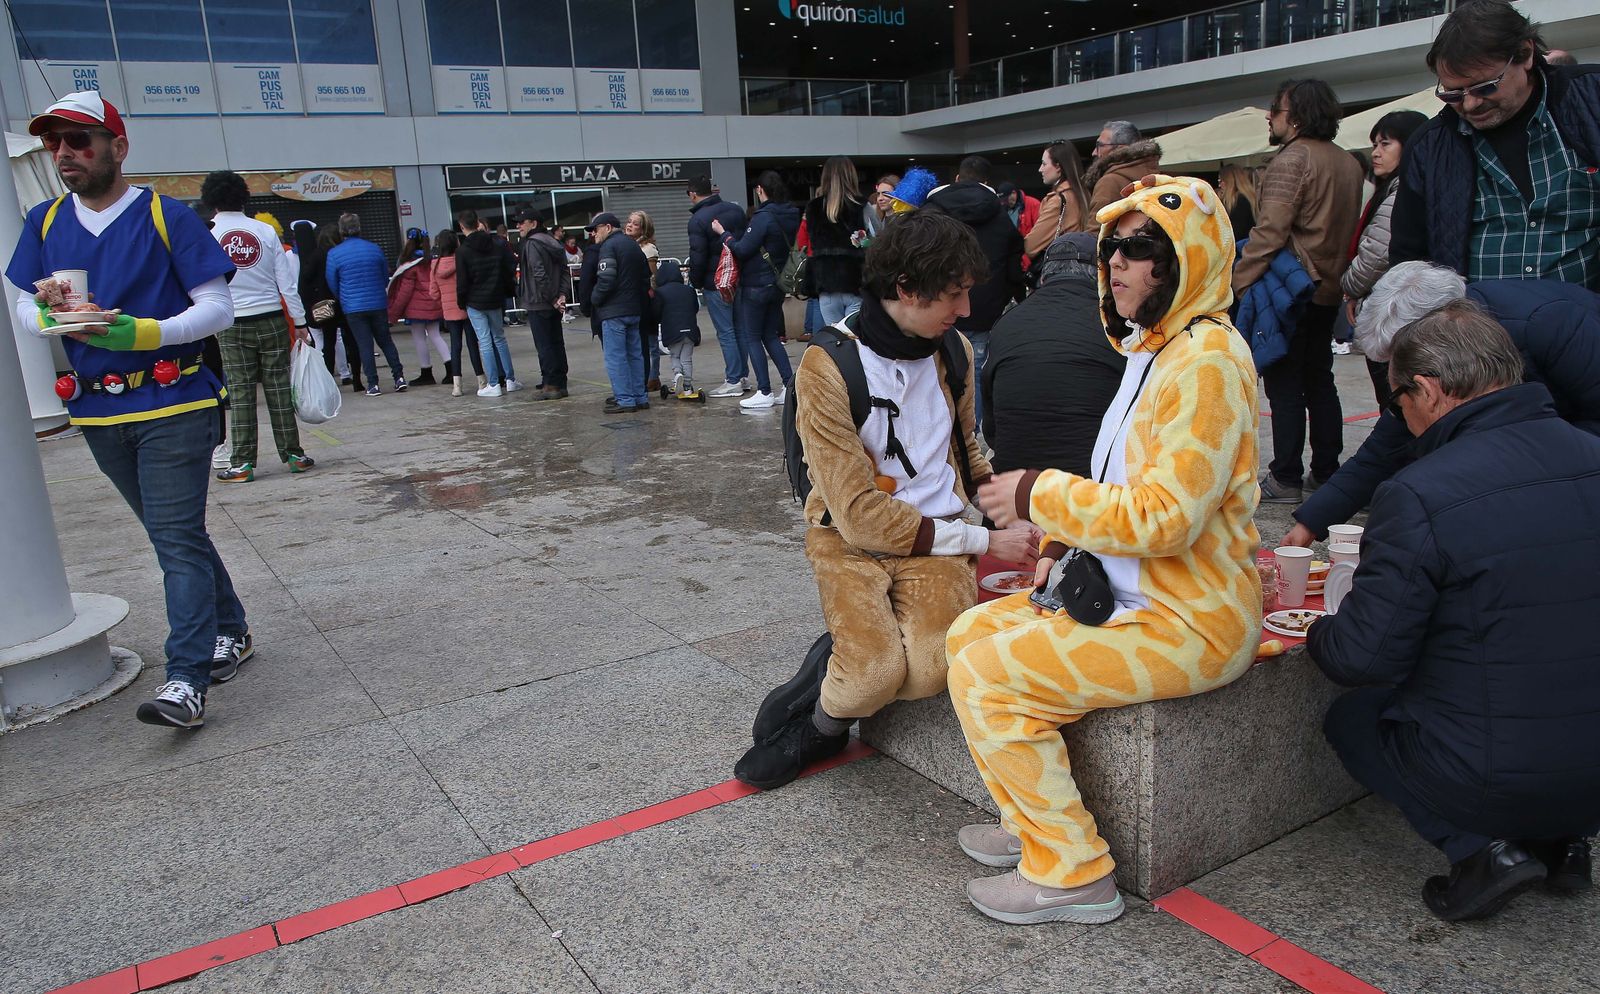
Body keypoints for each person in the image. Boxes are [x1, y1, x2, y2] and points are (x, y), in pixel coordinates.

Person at [948, 175, 1262, 927]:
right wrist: (1064, 536)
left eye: (1139, 250)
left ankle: (1072, 873)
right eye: (1111, 249)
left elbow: (1166, 520)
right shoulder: (1157, 349)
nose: (1115, 263)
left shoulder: (1207, 359)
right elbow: (1125, 480)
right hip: (1140, 597)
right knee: (969, 632)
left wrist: (1037, 494)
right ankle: (1031, 821)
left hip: (1192, 621)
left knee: (994, 675)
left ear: (1186, 260)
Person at [1311, 301, 1600, 921]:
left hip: (1497, 776)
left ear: (1431, 391)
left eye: (1396, 402)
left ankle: (1481, 852)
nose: (1399, 418)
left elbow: (1363, 656)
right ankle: (1565, 842)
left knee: (1355, 719)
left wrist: (1319, 628)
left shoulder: (1422, 492)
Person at [733, 210, 1038, 791]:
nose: (966, 311)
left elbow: (965, 444)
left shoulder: (953, 351)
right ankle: (820, 728)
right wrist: (986, 539)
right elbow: (859, 515)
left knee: (931, 671)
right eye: (953, 295)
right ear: (904, 289)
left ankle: (843, 652)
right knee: (873, 677)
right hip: (849, 540)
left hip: (937, 537)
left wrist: (1005, 503)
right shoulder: (829, 365)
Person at [7, 92, 250, 728]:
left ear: (119, 146)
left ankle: (186, 678)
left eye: (80, 140)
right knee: (176, 536)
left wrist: (138, 333)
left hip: (175, 399)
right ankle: (232, 629)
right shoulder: (44, 221)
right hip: (97, 410)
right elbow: (22, 308)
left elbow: (216, 308)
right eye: (55, 142)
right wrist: (56, 318)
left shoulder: (166, 215)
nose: (65, 153)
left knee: (173, 538)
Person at [1283, 262, 1600, 547]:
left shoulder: (1550, 324)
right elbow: (1386, 444)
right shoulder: (1442, 357)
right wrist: (1311, 522)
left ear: (1444, 325)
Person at [1389, 0, 1600, 291]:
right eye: (1452, 93)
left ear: (1525, 54)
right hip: (1476, 331)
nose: (1470, 103)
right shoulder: (1429, 147)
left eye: (1484, 87)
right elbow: (1408, 261)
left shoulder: (1591, 100)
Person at [1234, 78, 1364, 504]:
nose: (1270, 117)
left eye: (1276, 109)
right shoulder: (1348, 162)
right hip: (1328, 287)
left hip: (1290, 287)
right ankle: (1326, 469)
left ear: (1298, 116)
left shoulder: (1293, 159)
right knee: (1320, 381)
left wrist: (1237, 282)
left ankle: (1285, 476)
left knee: (1284, 385)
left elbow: (1270, 231)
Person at [200, 170, 313, 484]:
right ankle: (294, 454)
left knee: (240, 393)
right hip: (272, 318)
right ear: (244, 196)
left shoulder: (207, 234)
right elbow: (287, 284)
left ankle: (242, 463)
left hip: (230, 321)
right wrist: (300, 321)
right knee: (278, 387)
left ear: (210, 200)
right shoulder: (264, 231)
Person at [981, 232, 1126, 475]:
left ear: (1045, 273)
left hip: (1011, 491)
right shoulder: (1116, 326)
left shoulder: (1007, 323)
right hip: (1093, 492)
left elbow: (991, 426)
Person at [924, 156, 1025, 432]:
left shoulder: (932, 209)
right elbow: (1013, 265)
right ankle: (971, 434)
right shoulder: (1001, 215)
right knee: (976, 375)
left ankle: (939, 433)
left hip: (936, 306)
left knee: (932, 373)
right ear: (987, 183)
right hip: (985, 307)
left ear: (958, 178)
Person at [1340, 110, 1430, 408]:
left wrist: (1350, 286)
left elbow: (1376, 254)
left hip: (1393, 310)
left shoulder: (1400, 192)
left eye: (1385, 144)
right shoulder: (1399, 187)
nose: (1376, 153)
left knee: (1395, 402)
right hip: (1395, 305)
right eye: (1375, 145)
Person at [712, 170, 799, 411]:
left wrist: (724, 235)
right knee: (770, 335)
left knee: (752, 337)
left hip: (756, 286)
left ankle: (764, 391)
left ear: (760, 190)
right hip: (778, 283)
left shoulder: (763, 217)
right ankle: (790, 387)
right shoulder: (791, 213)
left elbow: (742, 249)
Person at [326, 213, 407, 396]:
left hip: (353, 305)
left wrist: (343, 297)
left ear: (341, 231)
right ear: (359, 228)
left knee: (364, 345)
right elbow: (384, 274)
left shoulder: (334, 254)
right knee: (386, 341)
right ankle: (399, 377)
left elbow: (332, 281)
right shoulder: (374, 248)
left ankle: (373, 384)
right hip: (377, 302)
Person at [686, 174, 752, 399]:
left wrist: (696, 281)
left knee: (726, 332)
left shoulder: (697, 220)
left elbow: (698, 255)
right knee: (740, 329)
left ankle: (733, 379)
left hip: (715, 282)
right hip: (740, 278)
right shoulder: (735, 210)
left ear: (692, 194)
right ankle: (742, 376)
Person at [588, 211, 652, 414]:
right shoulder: (632, 245)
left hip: (614, 311)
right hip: (633, 309)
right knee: (635, 355)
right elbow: (645, 277)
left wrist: (595, 300)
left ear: (607, 227)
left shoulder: (609, 246)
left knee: (616, 357)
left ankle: (624, 399)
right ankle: (640, 397)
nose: (594, 234)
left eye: (596, 229)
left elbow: (606, 279)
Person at [456, 210, 519, 397]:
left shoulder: (463, 251)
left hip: (475, 301)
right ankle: (510, 379)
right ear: (478, 223)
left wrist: (462, 302)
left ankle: (493, 384)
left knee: (484, 342)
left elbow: (462, 281)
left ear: (462, 227)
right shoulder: (496, 245)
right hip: (495, 298)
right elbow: (506, 270)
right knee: (500, 338)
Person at [804, 156, 869, 326]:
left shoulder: (814, 208)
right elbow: (877, 240)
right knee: (855, 340)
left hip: (826, 284)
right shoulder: (861, 206)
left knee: (835, 341)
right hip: (856, 283)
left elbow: (812, 241)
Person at [515, 209, 571, 400]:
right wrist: (561, 295)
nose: (518, 226)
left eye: (522, 222)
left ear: (533, 223)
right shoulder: (553, 241)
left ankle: (551, 385)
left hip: (539, 302)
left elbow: (538, 273)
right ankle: (560, 382)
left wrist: (553, 298)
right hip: (551, 301)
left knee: (545, 345)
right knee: (556, 342)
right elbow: (564, 271)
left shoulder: (532, 243)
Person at [300, 224, 361, 393]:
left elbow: (306, 278)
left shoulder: (316, 255)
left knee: (329, 342)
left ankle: (329, 380)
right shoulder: (342, 253)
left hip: (325, 304)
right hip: (345, 301)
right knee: (351, 341)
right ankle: (356, 379)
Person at [387, 228, 451, 387]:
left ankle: (426, 372)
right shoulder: (432, 261)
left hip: (415, 309)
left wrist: (393, 313)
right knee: (436, 335)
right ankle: (451, 369)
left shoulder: (410, 266)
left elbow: (404, 292)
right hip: (434, 304)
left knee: (419, 338)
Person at [429, 229, 484, 397]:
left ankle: (457, 386)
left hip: (449, 312)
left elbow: (433, 292)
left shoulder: (435, 265)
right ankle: (481, 382)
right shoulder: (462, 260)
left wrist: (445, 302)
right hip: (467, 308)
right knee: (473, 344)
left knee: (455, 347)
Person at [1025, 140, 1089, 261]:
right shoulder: (1083, 193)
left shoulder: (1058, 200)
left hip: (1060, 268)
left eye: (1044, 164)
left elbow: (1031, 245)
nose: (1040, 169)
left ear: (1058, 167)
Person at [1083, 121, 1162, 215]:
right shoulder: (1155, 176)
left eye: (1100, 145)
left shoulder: (1110, 182)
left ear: (1120, 149)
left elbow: (1095, 228)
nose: (1094, 152)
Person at [653, 258, 701, 399]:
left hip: (672, 330)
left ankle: (677, 374)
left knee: (675, 355)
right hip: (690, 330)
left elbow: (657, 312)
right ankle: (687, 388)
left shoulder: (660, 292)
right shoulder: (689, 290)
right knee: (687, 358)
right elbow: (695, 308)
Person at [627, 210, 663, 390]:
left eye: (635, 223)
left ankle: (653, 377)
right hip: (633, 299)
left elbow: (651, 277)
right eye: (629, 221)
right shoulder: (628, 245)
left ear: (644, 228)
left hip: (647, 299)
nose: (629, 225)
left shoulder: (648, 249)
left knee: (650, 341)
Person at [1216, 164, 1259, 239]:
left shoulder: (1240, 200)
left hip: (1239, 246)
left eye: (1220, 181)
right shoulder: (1247, 197)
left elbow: (1236, 232)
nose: (1219, 185)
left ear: (1230, 181)